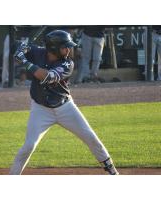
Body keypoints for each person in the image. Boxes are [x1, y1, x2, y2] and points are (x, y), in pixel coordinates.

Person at [9, 30, 119, 175]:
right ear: (53, 48)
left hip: (65, 108)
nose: (69, 49)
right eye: (65, 47)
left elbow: (47, 77)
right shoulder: (38, 52)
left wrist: (24, 61)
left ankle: (113, 172)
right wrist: (21, 47)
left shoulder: (68, 64)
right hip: (40, 109)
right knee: (29, 146)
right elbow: (16, 47)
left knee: (91, 137)